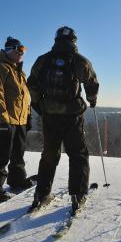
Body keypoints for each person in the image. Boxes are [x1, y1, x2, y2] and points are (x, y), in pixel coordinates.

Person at [27, 26, 99, 210]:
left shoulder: (43, 60)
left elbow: (32, 84)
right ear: (74, 40)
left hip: (50, 115)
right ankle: (78, 195)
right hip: (72, 115)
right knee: (78, 155)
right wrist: (92, 100)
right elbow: (92, 83)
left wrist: (39, 105)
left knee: (49, 155)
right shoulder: (80, 60)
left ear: (56, 39)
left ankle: (41, 194)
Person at [0, 36, 33, 203]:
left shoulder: (20, 73)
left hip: (19, 121)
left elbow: (26, 98)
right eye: (20, 50)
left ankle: (17, 180)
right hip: (5, 121)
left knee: (18, 154)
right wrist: (3, 120)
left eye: (24, 51)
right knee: (1, 157)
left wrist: (28, 116)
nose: (22, 54)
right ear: (10, 50)